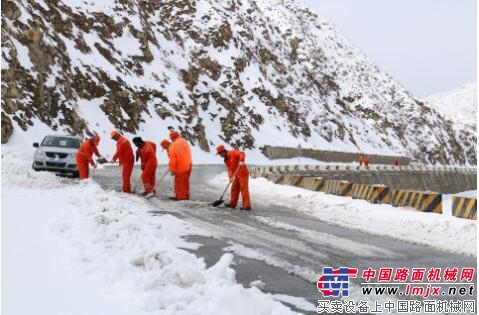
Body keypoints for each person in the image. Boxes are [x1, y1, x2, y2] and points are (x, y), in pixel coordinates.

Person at [216, 144, 251, 211]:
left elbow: (242, 153)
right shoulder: (226, 160)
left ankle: (247, 206)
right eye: (219, 154)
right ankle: (232, 204)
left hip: (243, 173)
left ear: (223, 151)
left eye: (220, 153)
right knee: (234, 189)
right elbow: (229, 169)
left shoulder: (233, 152)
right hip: (236, 174)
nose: (220, 155)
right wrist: (230, 177)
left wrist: (241, 160)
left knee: (243, 189)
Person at [167, 131, 192, 200]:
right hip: (189, 165)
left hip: (181, 167)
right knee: (185, 182)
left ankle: (181, 199)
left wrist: (172, 170)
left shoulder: (173, 146)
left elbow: (173, 160)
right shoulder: (184, 141)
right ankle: (186, 196)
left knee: (179, 182)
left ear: (172, 138)